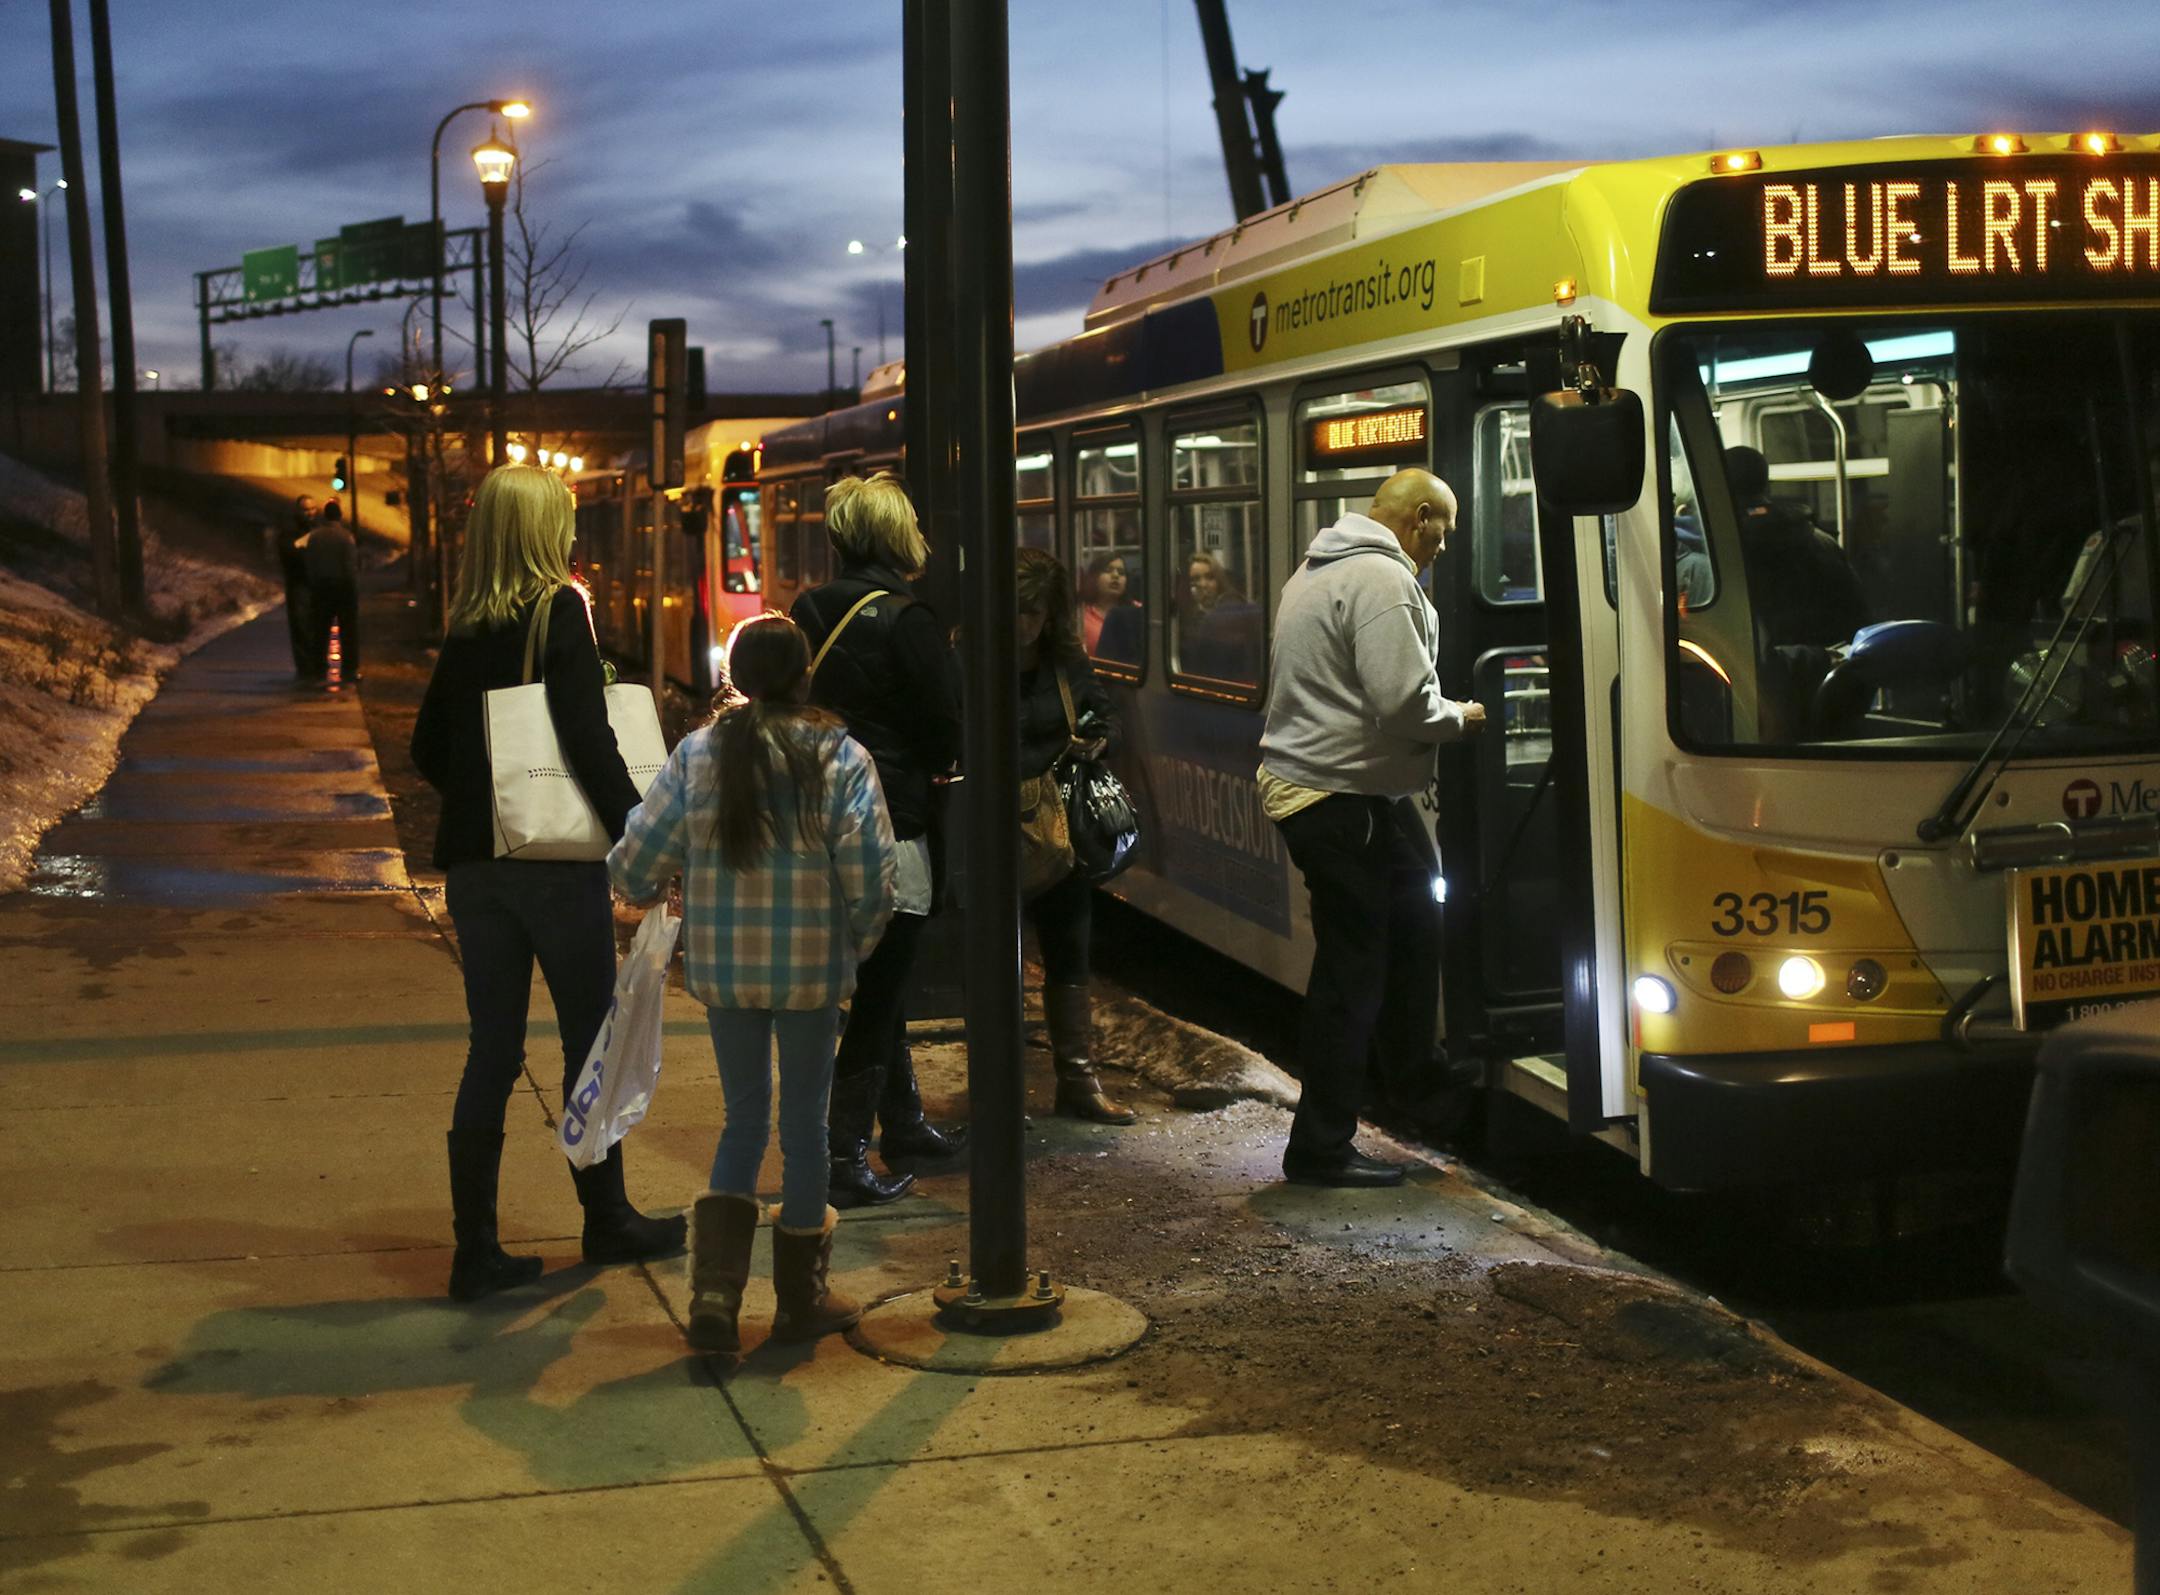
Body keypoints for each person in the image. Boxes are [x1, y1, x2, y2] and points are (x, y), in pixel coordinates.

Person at [411, 464, 686, 1303]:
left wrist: (483, 799)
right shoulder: (557, 610)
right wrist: (646, 829)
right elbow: (589, 739)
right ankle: (605, 1217)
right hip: (554, 873)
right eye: (562, 520)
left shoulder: (465, 625)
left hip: (475, 870)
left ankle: (476, 1251)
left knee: (490, 1047)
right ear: (541, 532)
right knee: (589, 1040)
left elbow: (428, 746)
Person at [610, 613, 898, 1353]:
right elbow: (872, 877)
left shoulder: (698, 753)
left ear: (736, 675)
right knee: (804, 1128)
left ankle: (715, 1296)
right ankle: (800, 1301)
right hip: (811, 972)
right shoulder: (838, 755)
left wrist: (647, 883)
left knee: (743, 1120)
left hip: (726, 972)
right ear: (806, 675)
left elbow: (635, 864)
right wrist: (852, 949)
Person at [1256, 468, 1487, 1187]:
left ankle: (1418, 1086)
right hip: (1337, 800)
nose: (1443, 547)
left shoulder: (1316, 570)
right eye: (1443, 531)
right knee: (1351, 974)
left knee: (1416, 917)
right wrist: (1464, 717)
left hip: (1347, 797)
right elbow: (1403, 701)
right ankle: (1321, 1148)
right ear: (1420, 517)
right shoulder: (1383, 580)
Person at [790, 473, 966, 1208]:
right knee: (883, 985)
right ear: (899, 535)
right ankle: (844, 1154)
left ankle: (905, 1120)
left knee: (874, 981)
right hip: (895, 822)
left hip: (822, 816)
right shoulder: (907, 619)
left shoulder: (806, 607)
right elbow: (943, 729)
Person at [1017, 546, 1136, 1125]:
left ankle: (1078, 1082)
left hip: (1059, 828)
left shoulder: (1064, 662)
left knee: (1070, 954)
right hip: (995, 829)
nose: (1022, 624)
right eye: (1015, 610)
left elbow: (1106, 713)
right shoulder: (966, 661)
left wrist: (1098, 738)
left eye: (1033, 612)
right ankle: (999, 1084)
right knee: (994, 960)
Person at [305, 499, 361, 682]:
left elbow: (310, 563)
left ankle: (318, 666)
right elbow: (350, 566)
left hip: (320, 587)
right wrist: (353, 588)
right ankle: (349, 668)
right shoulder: (346, 537)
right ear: (340, 516)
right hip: (343, 587)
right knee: (348, 630)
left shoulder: (314, 537)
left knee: (320, 630)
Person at [274, 494, 319, 680]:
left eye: (312, 509)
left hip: (316, 585)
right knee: (301, 625)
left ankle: (315, 664)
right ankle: (305, 667)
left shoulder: (318, 529)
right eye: (305, 509)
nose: (309, 513)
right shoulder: (289, 532)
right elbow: (288, 553)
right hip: (298, 584)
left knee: (316, 626)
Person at [1080, 553, 1134, 654]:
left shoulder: (1138, 610)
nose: (1115, 575)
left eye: (1121, 573)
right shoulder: (1081, 615)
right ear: (1094, 577)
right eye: (1108, 571)